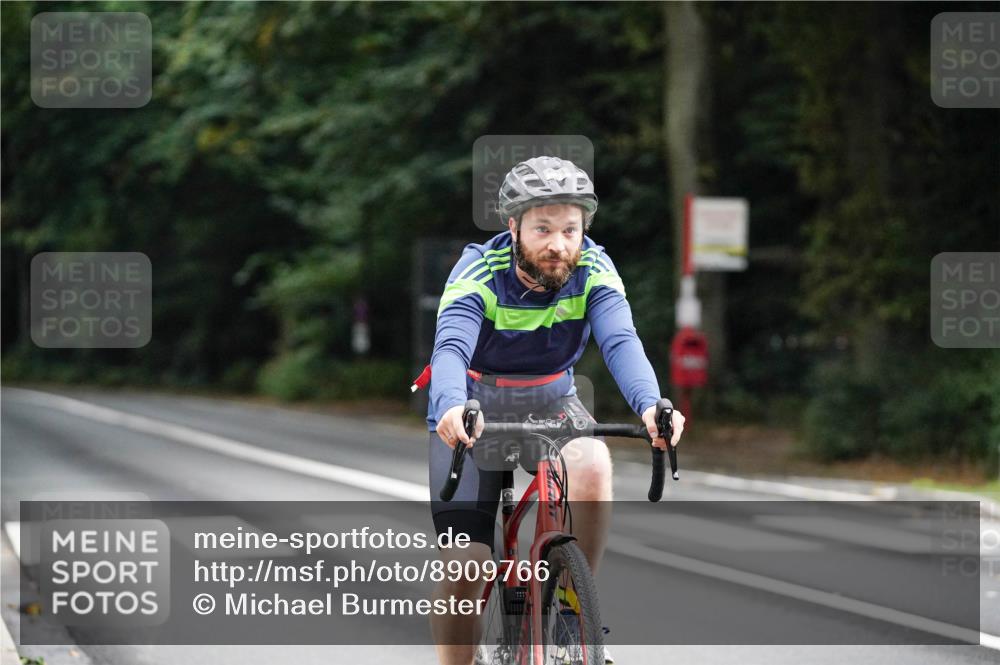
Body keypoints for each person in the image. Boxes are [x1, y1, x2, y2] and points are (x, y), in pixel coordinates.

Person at [423, 155, 685, 665]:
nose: (558, 244)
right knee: (466, 566)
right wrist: (452, 406)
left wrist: (651, 405)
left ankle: (572, 610)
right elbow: (450, 348)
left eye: (570, 229)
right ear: (513, 226)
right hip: (474, 406)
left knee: (593, 464)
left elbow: (621, 341)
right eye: (542, 228)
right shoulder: (478, 269)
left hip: (553, 400)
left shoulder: (594, 268)